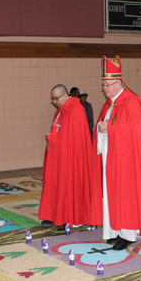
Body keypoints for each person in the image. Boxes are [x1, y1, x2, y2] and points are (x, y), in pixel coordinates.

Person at [92, 55, 141, 251]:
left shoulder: (131, 101)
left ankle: (127, 234)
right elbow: (105, 125)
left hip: (126, 160)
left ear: (118, 83)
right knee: (111, 194)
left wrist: (111, 129)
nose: (104, 89)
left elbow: (137, 131)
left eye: (107, 85)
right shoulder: (110, 103)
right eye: (103, 85)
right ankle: (113, 231)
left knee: (125, 195)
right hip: (111, 158)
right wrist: (102, 127)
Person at [39, 84, 92, 227]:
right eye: (52, 99)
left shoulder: (76, 110)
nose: (54, 102)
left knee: (66, 186)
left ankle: (66, 216)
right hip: (57, 154)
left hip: (69, 157)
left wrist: (59, 143)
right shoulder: (61, 110)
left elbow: (76, 139)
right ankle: (52, 214)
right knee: (53, 183)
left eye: (55, 99)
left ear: (64, 95)